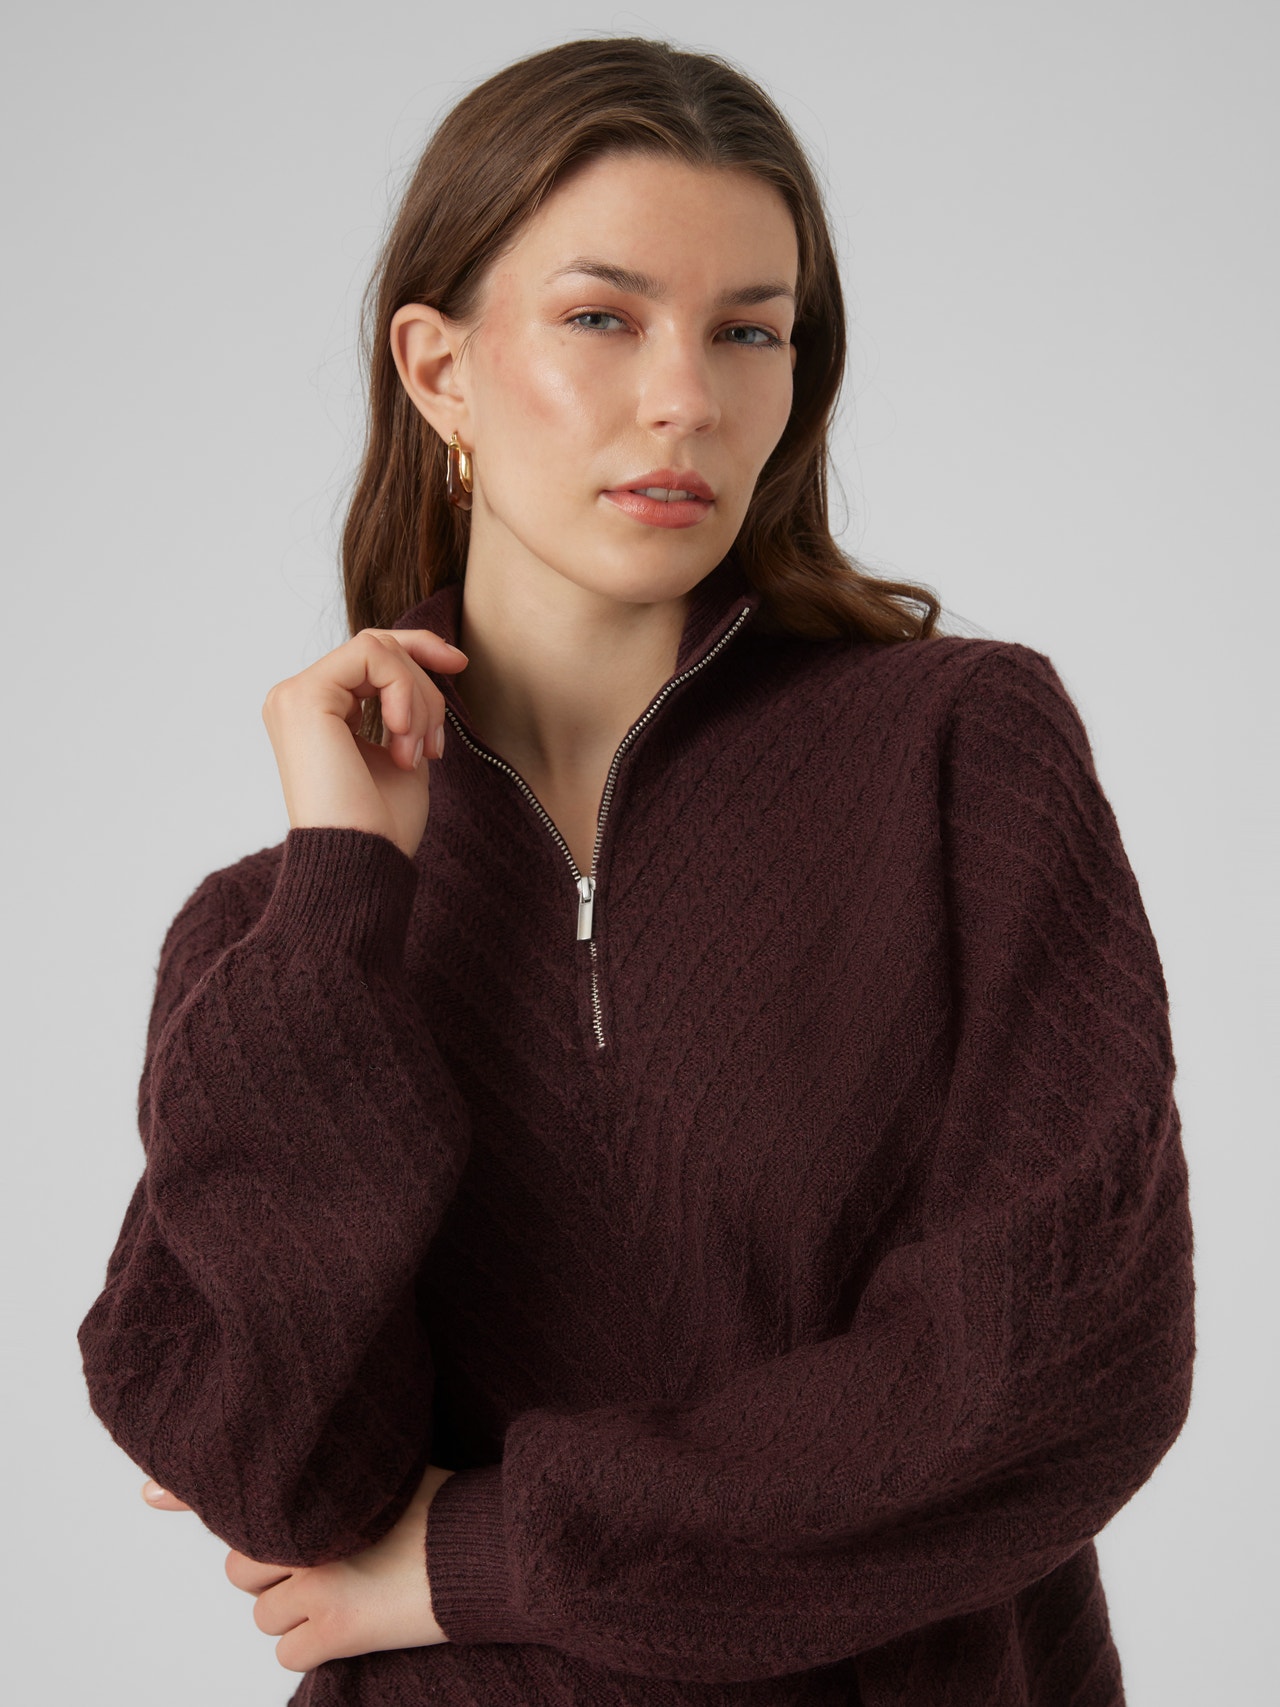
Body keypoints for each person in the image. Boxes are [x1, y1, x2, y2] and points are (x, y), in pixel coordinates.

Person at [76, 35, 1196, 1707]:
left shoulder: (962, 755)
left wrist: (487, 1553)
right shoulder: (277, 936)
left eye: (750, 330)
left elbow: (1057, 1368)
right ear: (439, 370)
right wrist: (342, 895)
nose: (689, 397)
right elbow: (275, 1472)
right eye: (603, 319)